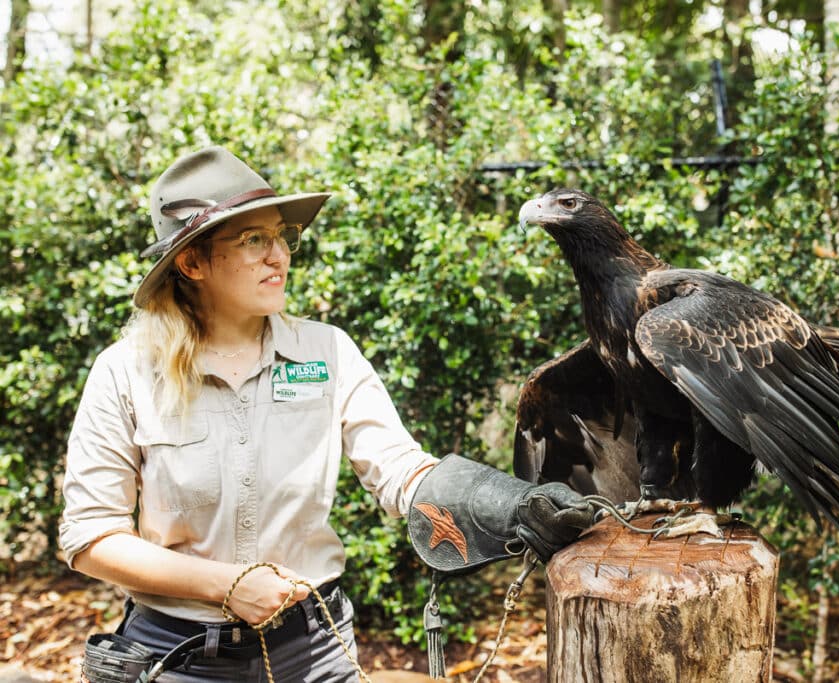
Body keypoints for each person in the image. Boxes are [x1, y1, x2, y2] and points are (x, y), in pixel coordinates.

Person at [59, 146, 594, 682]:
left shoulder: (327, 353)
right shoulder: (126, 372)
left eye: (282, 236)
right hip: (179, 657)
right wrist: (225, 585)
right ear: (192, 262)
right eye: (254, 240)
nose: (279, 256)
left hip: (314, 652)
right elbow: (91, 537)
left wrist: (505, 504)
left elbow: (398, 468)